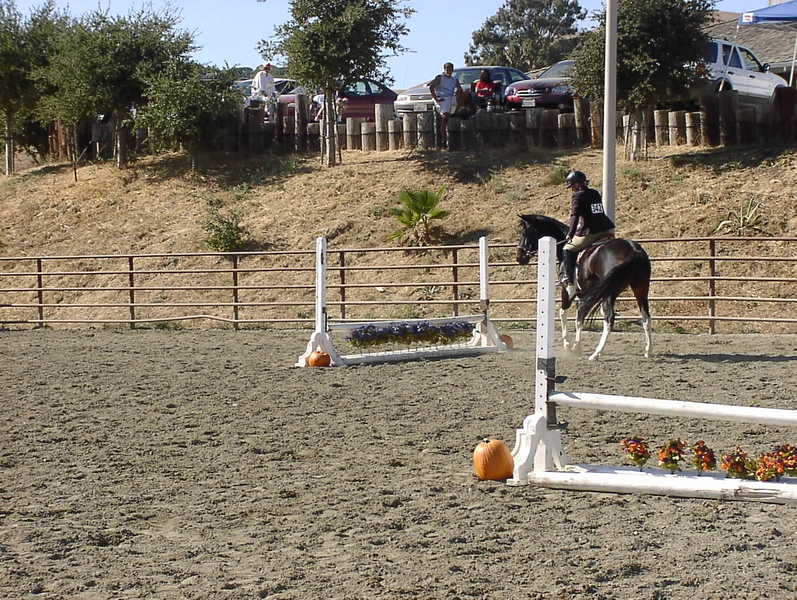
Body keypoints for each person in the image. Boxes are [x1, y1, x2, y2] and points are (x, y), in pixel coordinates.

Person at [560, 170, 616, 300]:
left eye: (572, 186)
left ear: (577, 184)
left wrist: (570, 234)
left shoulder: (577, 196)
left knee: (567, 249)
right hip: (608, 229)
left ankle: (570, 283)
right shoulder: (595, 192)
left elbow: (574, 216)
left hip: (591, 232)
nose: (572, 189)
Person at [428, 62, 462, 147]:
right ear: (444, 69)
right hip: (442, 98)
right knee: (445, 117)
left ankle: (450, 139)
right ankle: (443, 140)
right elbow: (431, 87)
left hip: (451, 98)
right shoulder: (440, 78)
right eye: (447, 69)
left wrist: (457, 95)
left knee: (452, 115)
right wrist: (436, 98)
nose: (449, 71)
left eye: (451, 69)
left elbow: (459, 89)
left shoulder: (454, 79)